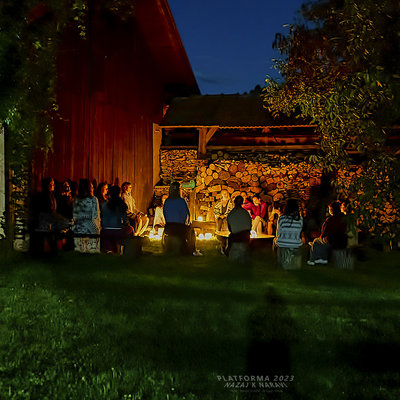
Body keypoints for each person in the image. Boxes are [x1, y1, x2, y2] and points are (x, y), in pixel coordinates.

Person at [163, 181, 201, 256]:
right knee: (191, 230)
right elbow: (186, 215)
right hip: (179, 227)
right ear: (179, 190)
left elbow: (165, 214)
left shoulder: (167, 201)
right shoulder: (181, 201)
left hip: (168, 227)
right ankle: (193, 250)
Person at [307, 201, 347, 265]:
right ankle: (321, 258)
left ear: (331, 210)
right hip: (342, 239)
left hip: (331, 239)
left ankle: (313, 260)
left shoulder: (330, 220)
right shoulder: (344, 218)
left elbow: (324, 232)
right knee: (319, 242)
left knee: (316, 241)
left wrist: (320, 237)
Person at [101, 185, 134, 253]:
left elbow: (102, 218)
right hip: (118, 230)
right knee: (131, 229)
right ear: (119, 193)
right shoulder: (121, 205)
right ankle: (128, 251)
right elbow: (125, 221)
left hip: (106, 229)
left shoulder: (105, 205)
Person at [72, 179, 101, 253]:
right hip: (91, 229)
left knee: (80, 253)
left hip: (79, 229)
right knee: (91, 253)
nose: (93, 189)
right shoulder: (93, 199)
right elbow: (95, 216)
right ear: (88, 188)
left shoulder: (75, 199)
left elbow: (75, 215)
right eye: (91, 187)